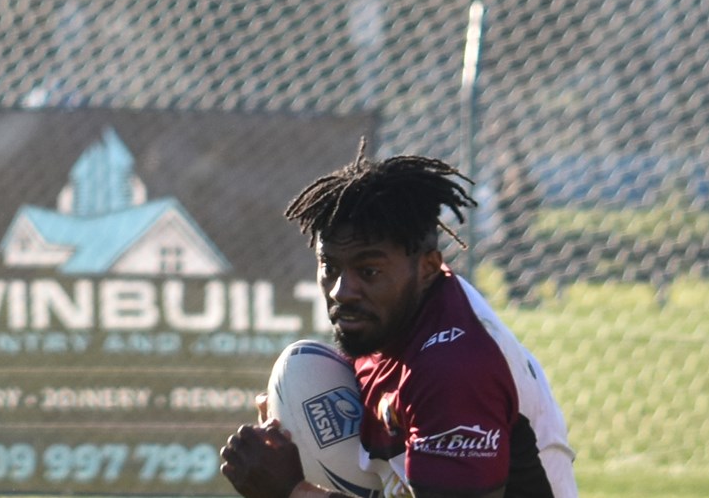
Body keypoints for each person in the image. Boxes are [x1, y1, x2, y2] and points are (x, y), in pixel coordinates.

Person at [219, 148, 578, 497]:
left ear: (428, 267)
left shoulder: (453, 367)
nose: (342, 291)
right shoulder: (390, 322)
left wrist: (294, 491)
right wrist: (295, 429)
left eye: (369, 271)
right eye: (330, 267)